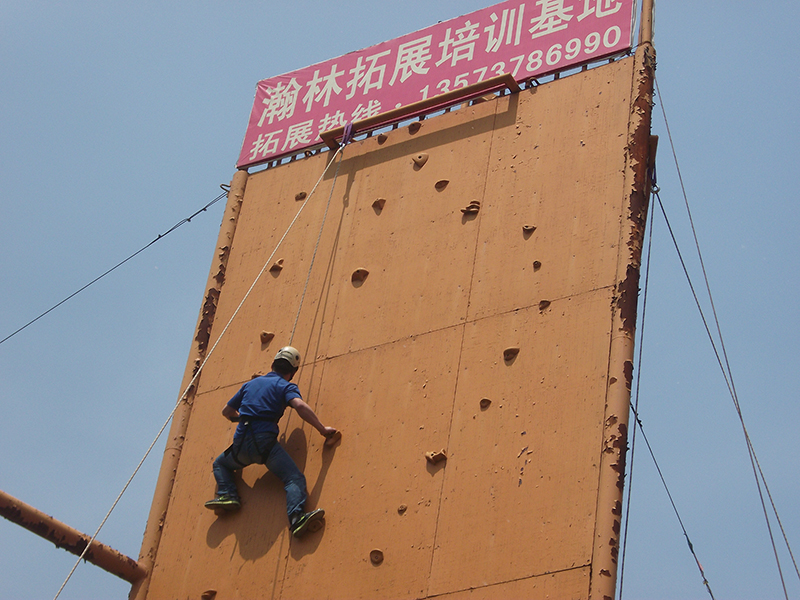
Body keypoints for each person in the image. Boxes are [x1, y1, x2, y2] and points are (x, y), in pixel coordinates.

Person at [204, 346, 337, 538]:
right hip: (265, 445)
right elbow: (299, 405)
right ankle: (296, 518)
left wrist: (240, 418)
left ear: (272, 364)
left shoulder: (250, 385)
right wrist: (322, 429)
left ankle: (228, 495)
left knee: (220, 463)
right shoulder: (286, 386)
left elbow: (226, 412)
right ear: (293, 372)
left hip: (241, 444)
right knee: (293, 478)